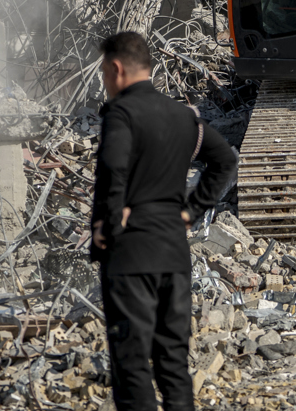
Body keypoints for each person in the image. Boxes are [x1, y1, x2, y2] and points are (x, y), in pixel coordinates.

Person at [90, 32, 239, 411]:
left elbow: (113, 166)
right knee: (173, 362)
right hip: (174, 255)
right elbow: (225, 160)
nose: (106, 83)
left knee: (133, 364)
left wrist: (110, 219)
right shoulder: (182, 117)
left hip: (131, 257)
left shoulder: (121, 114)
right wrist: (191, 211)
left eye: (105, 74)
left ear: (116, 68)